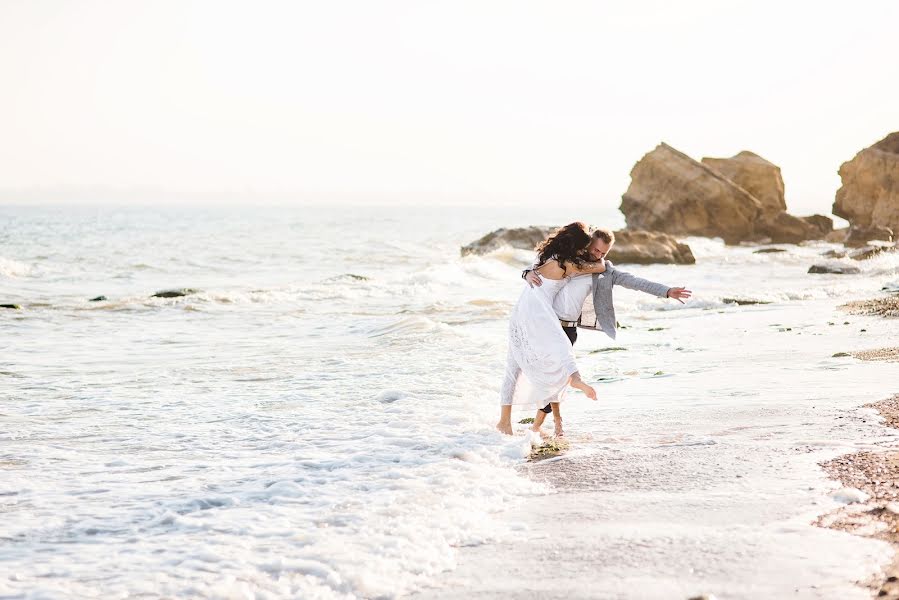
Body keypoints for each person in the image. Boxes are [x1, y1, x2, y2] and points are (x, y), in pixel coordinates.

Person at [522, 229, 692, 436]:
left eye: (603, 253)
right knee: (552, 377)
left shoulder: (604, 271)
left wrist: (665, 291)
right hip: (546, 327)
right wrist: (526, 273)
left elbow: (634, 282)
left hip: (568, 330)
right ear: (587, 244)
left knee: (558, 378)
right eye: (595, 250)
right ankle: (547, 424)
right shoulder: (565, 259)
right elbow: (538, 265)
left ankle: (543, 426)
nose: (598, 256)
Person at [496, 222, 605, 436]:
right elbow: (600, 267)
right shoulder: (569, 265)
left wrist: (527, 274)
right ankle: (575, 378)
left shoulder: (545, 255)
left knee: (512, 369)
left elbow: (528, 271)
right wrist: (599, 257)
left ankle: (504, 423)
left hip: (520, 311)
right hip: (538, 314)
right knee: (560, 345)